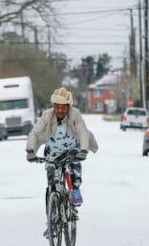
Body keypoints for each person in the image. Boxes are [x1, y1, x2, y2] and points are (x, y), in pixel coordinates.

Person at [26, 87, 99, 236]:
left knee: (73, 168)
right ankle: (52, 221)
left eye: (63, 107)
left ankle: (75, 190)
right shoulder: (47, 116)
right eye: (57, 106)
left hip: (72, 148)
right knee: (52, 183)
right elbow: (35, 133)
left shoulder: (75, 114)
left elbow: (83, 132)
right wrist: (30, 151)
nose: (59, 110)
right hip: (53, 150)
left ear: (68, 106)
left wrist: (83, 150)